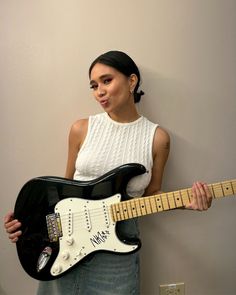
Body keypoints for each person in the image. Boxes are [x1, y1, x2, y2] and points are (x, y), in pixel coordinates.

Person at [4, 50, 212, 295]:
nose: (99, 91)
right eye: (93, 85)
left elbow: (152, 193)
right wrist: (29, 225)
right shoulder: (81, 129)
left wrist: (187, 203)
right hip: (66, 245)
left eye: (106, 80)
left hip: (117, 245)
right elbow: (61, 192)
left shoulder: (157, 138)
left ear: (131, 81)